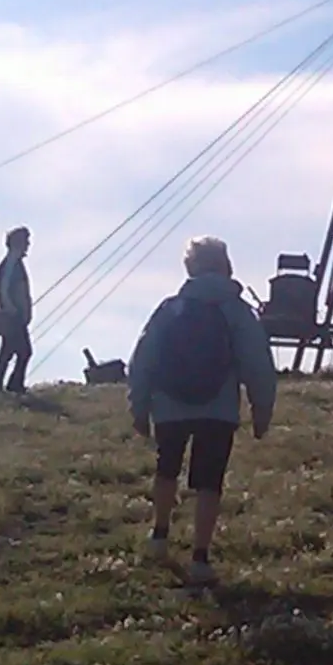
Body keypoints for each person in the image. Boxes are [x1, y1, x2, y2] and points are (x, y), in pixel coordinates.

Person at [127, 235, 277, 585]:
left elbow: (143, 359)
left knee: (167, 468)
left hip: (169, 404)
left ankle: (160, 535)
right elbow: (257, 363)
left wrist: (139, 406)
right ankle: (200, 556)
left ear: (190, 268)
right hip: (218, 408)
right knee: (210, 482)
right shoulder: (237, 311)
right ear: (226, 266)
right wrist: (261, 410)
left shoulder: (170, 308)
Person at [0, 226, 32, 394]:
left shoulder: (14, 262)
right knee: (24, 351)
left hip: (14, 314)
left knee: (8, 351)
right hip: (13, 315)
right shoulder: (12, 262)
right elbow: (3, 287)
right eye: (26, 241)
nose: (28, 244)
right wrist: (11, 307)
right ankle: (13, 385)